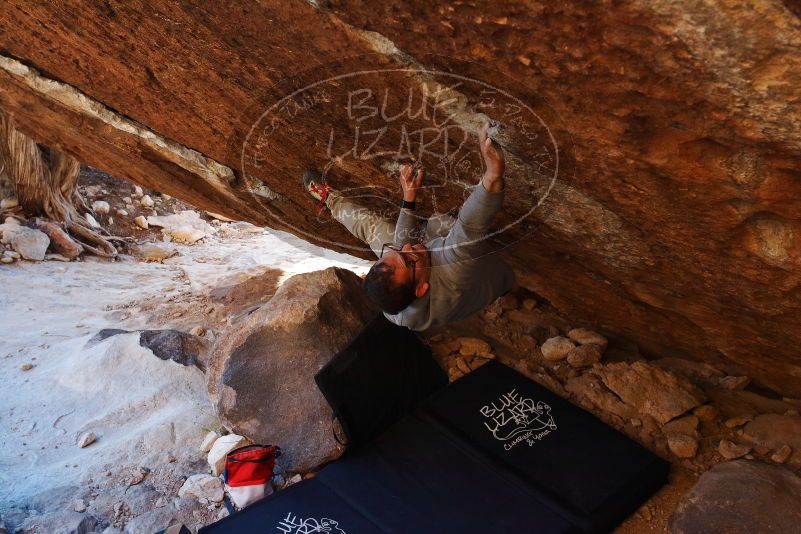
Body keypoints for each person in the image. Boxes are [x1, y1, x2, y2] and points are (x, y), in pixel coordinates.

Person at [303, 125, 515, 331]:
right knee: (440, 222)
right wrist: (493, 175)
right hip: (489, 274)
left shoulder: (394, 303)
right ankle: (503, 287)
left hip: (427, 265)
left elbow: (403, 251)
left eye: (394, 254)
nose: (407, 248)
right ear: (422, 289)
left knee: (372, 229)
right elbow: (469, 227)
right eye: (408, 259)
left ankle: (330, 199)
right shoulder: (453, 273)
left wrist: (409, 199)